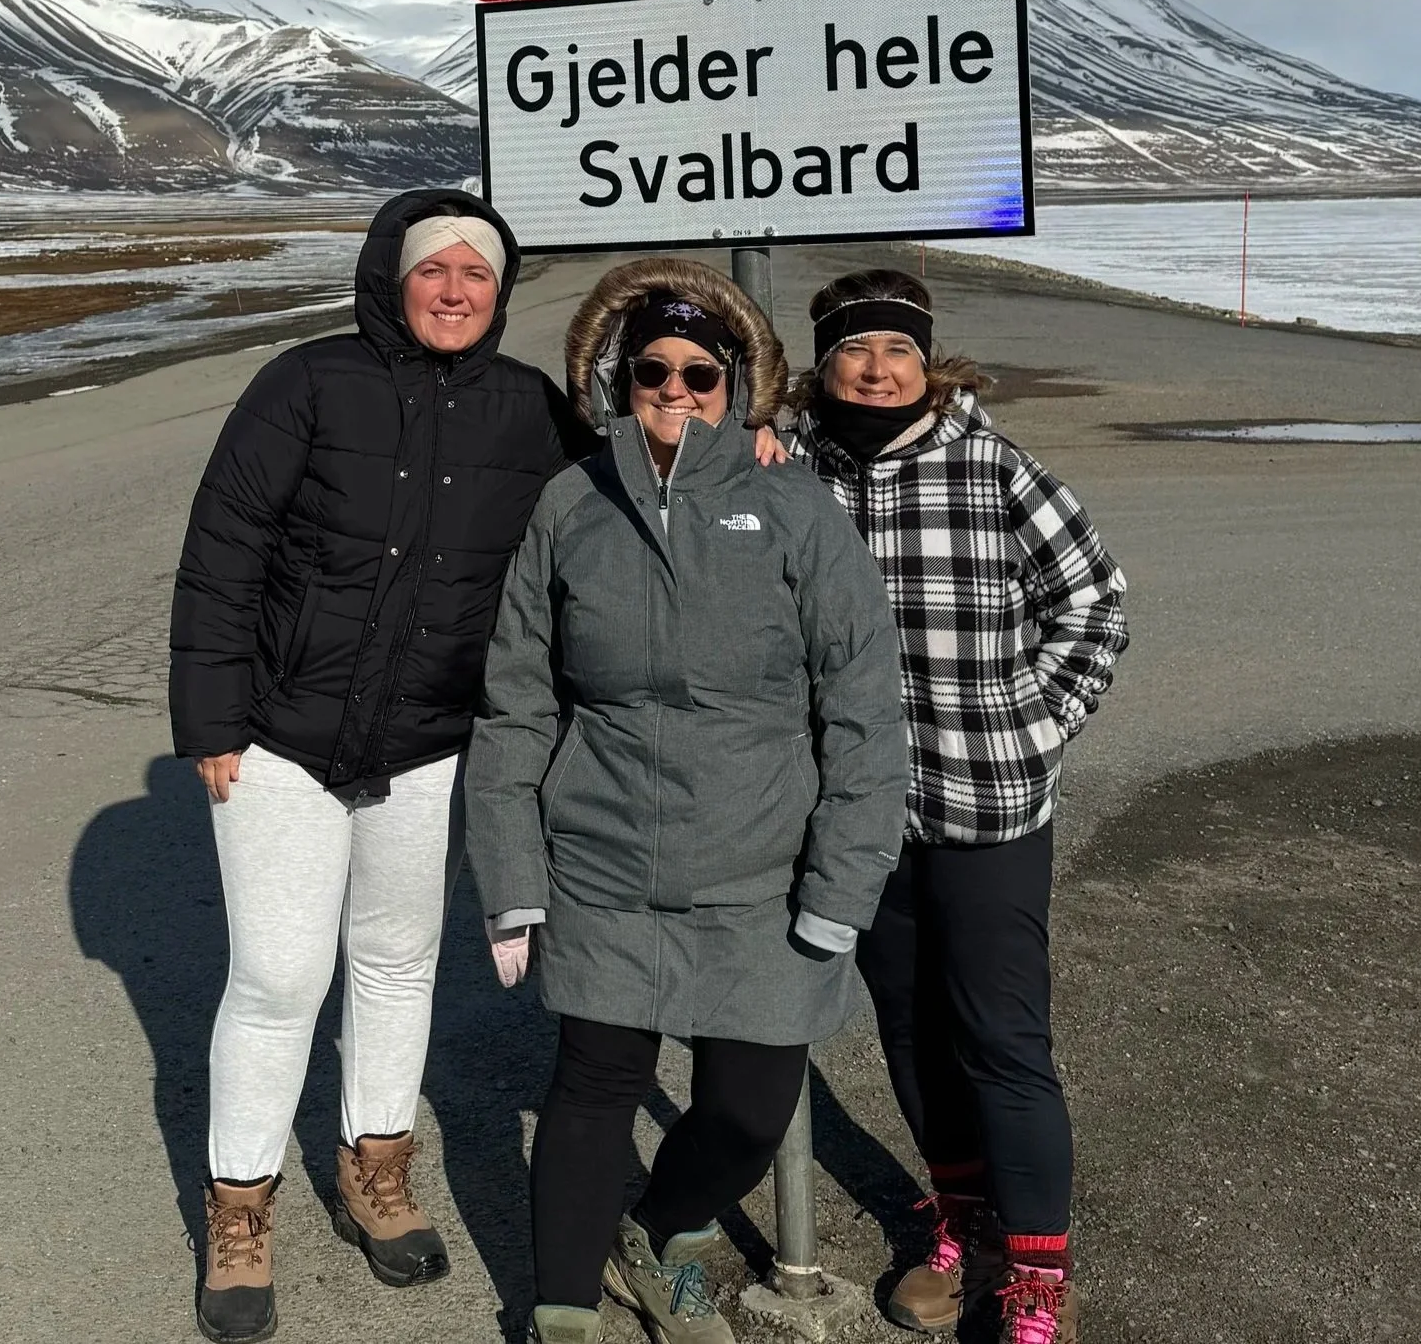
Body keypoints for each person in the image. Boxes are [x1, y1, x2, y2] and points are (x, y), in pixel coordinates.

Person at [167, 188, 593, 1344]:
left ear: (501, 296)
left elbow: (614, 506)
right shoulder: (305, 384)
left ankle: (375, 1166)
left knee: (399, 960)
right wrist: (211, 721)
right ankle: (241, 1205)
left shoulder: (526, 408)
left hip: (429, 744)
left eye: (478, 277)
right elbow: (223, 554)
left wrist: (736, 437)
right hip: (277, 739)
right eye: (434, 270)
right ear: (390, 278)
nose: (455, 292)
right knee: (277, 976)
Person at [466, 257, 910, 1344]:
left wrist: (841, 883)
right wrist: (512, 879)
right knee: (591, 1085)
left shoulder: (794, 508)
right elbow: (515, 706)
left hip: (761, 870)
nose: (673, 391)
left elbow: (862, 710)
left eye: (699, 374)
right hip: (606, 863)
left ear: (736, 386)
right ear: (619, 380)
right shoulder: (571, 508)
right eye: (651, 370)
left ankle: (659, 1235)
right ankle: (562, 1316)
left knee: (752, 1108)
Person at [784, 269, 1129, 1344]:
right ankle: (964, 1221)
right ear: (823, 362)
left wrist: (1039, 723)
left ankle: (1033, 1277)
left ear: (927, 361)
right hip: (858, 813)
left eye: (898, 348)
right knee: (909, 1031)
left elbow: (1092, 599)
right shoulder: (794, 471)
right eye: (855, 349)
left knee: (1000, 1038)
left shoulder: (991, 467)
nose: (878, 368)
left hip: (988, 804)